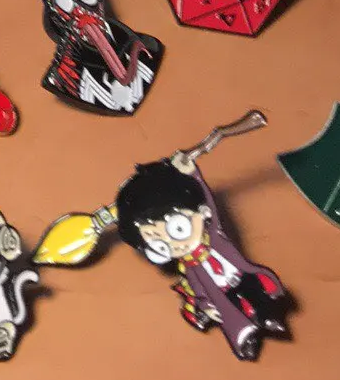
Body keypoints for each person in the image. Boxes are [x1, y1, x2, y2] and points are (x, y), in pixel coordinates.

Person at [115, 151, 288, 359]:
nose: (175, 245)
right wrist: (205, 306)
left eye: (178, 229)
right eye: (159, 245)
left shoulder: (215, 235)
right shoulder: (189, 267)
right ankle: (247, 336)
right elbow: (197, 287)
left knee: (258, 292)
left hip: (243, 276)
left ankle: (268, 316)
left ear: (203, 212)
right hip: (222, 294)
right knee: (232, 311)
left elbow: (209, 203)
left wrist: (192, 172)